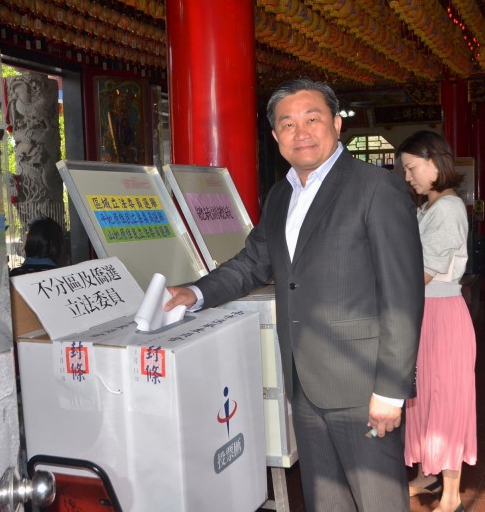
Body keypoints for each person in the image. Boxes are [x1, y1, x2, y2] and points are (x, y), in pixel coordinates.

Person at [165, 78, 424, 512]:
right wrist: (194, 293)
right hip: (304, 383)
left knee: (379, 503)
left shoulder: (376, 189)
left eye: (312, 118)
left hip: (363, 387)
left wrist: (391, 391)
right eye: (287, 124)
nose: (300, 132)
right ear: (275, 137)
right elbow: (252, 263)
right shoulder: (282, 194)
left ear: (337, 125)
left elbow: (402, 294)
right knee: (325, 503)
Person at [397, 130, 477, 512]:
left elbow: (422, 274)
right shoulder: (427, 207)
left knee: (446, 401)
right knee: (424, 398)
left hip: (442, 316)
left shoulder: (448, 208)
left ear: (434, 162)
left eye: (412, 168)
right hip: (423, 314)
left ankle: (451, 495)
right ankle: (428, 474)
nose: (408, 176)